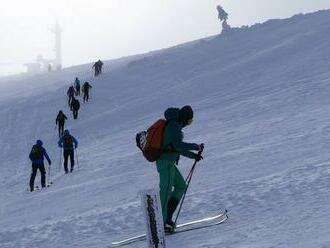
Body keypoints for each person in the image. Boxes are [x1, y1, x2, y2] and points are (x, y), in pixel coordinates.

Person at [156, 105, 203, 232]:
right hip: (165, 162)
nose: (189, 123)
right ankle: (162, 221)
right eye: (190, 120)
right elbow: (178, 145)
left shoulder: (175, 126)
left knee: (181, 186)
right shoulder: (173, 127)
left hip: (169, 162)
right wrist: (195, 147)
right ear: (185, 118)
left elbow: (176, 147)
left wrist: (193, 155)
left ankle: (167, 217)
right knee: (165, 190)